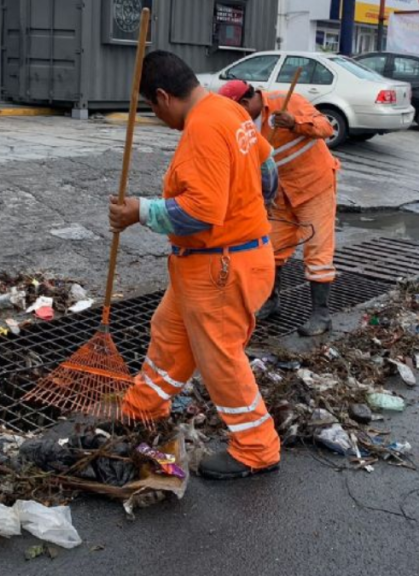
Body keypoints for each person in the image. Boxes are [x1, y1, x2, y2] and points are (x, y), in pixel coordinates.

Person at [108, 51, 281, 480]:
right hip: (215, 261)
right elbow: (267, 169)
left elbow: (201, 213)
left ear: (164, 96)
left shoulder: (203, 127)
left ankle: (257, 449)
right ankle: (142, 407)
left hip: (221, 267)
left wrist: (139, 211)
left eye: (151, 105)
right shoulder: (229, 109)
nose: (155, 114)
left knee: (221, 360)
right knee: (169, 331)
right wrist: (249, 207)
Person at [217, 79, 340, 336]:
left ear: (244, 103)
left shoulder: (286, 101)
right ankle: (271, 302)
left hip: (313, 185)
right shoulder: (240, 122)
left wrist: (294, 124)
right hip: (280, 194)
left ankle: (321, 314)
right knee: (271, 249)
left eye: (235, 111)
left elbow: (326, 127)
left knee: (318, 250)